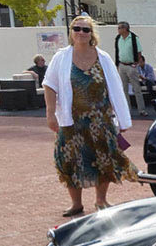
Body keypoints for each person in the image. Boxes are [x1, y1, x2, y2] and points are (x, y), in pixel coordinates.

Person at [43, 15, 137, 217]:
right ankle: (76, 204)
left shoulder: (103, 57)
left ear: (92, 34)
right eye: (77, 29)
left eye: (86, 30)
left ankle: (101, 200)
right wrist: (50, 113)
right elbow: (49, 85)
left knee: (104, 158)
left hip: (100, 120)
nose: (81, 33)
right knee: (69, 160)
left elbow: (115, 88)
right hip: (71, 120)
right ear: (71, 31)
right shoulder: (61, 57)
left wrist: (122, 118)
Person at [114, 22, 146, 116]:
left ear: (125, 29)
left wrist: (136, 63)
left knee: (137, 89)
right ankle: (127, 110)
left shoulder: (133, 38)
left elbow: (139, 52)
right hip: (122, 65)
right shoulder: (118, 38)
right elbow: (117, 51)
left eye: (120, 28)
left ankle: (141, 110)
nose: (118, 29)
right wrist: (117, 65)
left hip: (131, 65)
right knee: (124, 89)